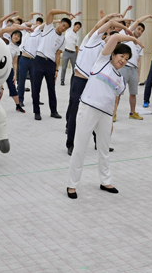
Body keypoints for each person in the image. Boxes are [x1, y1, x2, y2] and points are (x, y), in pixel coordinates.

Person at [67, 33, 143, 199]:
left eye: (127, 58)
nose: (123, 60)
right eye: (121, 56)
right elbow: (115, 37)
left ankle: (105, 181)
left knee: (104, 149)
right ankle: (72, 185)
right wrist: (133, 39)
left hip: (106, 114)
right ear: (113, 55)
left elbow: (115, 100)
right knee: (80, 147)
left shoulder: (120, 80)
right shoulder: (102, 62)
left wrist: (113, 118)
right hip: (88, 108)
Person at [65, 14, 128, 155]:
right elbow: (101, 25)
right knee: (75, 112)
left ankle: (98, 143)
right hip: (79, 80)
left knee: (96, 112)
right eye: (110, 32)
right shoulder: (92, 39)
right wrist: (113, 20)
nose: (111, 37)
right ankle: (71, 144)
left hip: (92, 83)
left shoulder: (107, 53)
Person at [32, 9, 74, 121]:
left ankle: (53, 111)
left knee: (51, 88)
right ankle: (36, 111)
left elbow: (58, 54)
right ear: (59, 23)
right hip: (39, 60)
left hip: (50, 64)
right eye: (63, 25)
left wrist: (56, 70)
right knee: (36, 88)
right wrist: (66, 12)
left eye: (66, 28)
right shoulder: (48, 28)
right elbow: (50, 12)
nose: (63, 28)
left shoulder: (62, 39)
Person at [116, 15, 152, 120]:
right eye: (138, 29)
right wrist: (147, 16)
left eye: (142, 31)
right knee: (118, 92)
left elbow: (139, 60)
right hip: (124, 68)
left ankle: (132, 112)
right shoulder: (127, 36)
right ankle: (113, 113)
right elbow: (138, 20)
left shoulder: (139, 44)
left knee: (133, 93)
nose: (139, 32)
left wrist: (138, 74)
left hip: (133, 70)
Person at [17, 18, 44, 106]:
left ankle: (36, 99)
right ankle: (20, 100)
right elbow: (23, 25)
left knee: (34, 82)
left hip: (34, 60)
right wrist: (32, 24)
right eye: (36, 24)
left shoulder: (39, 35)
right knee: (22, 81)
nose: (37, 26)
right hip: (24, 59)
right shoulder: (25, 32)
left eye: (39, 24)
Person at [60, 21, 81, 86]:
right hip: (66, 52)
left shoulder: (77, 37)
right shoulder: (68, 30)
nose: (77, 29)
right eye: (77, 27)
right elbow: (67, 21)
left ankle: (74, 80)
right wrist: (73, 16)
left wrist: (77, 56)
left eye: (78, 28)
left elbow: (76, 47)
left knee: (74, 68)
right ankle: (62, 80)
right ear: (74, 26)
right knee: (64, 67)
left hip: (73, 53)